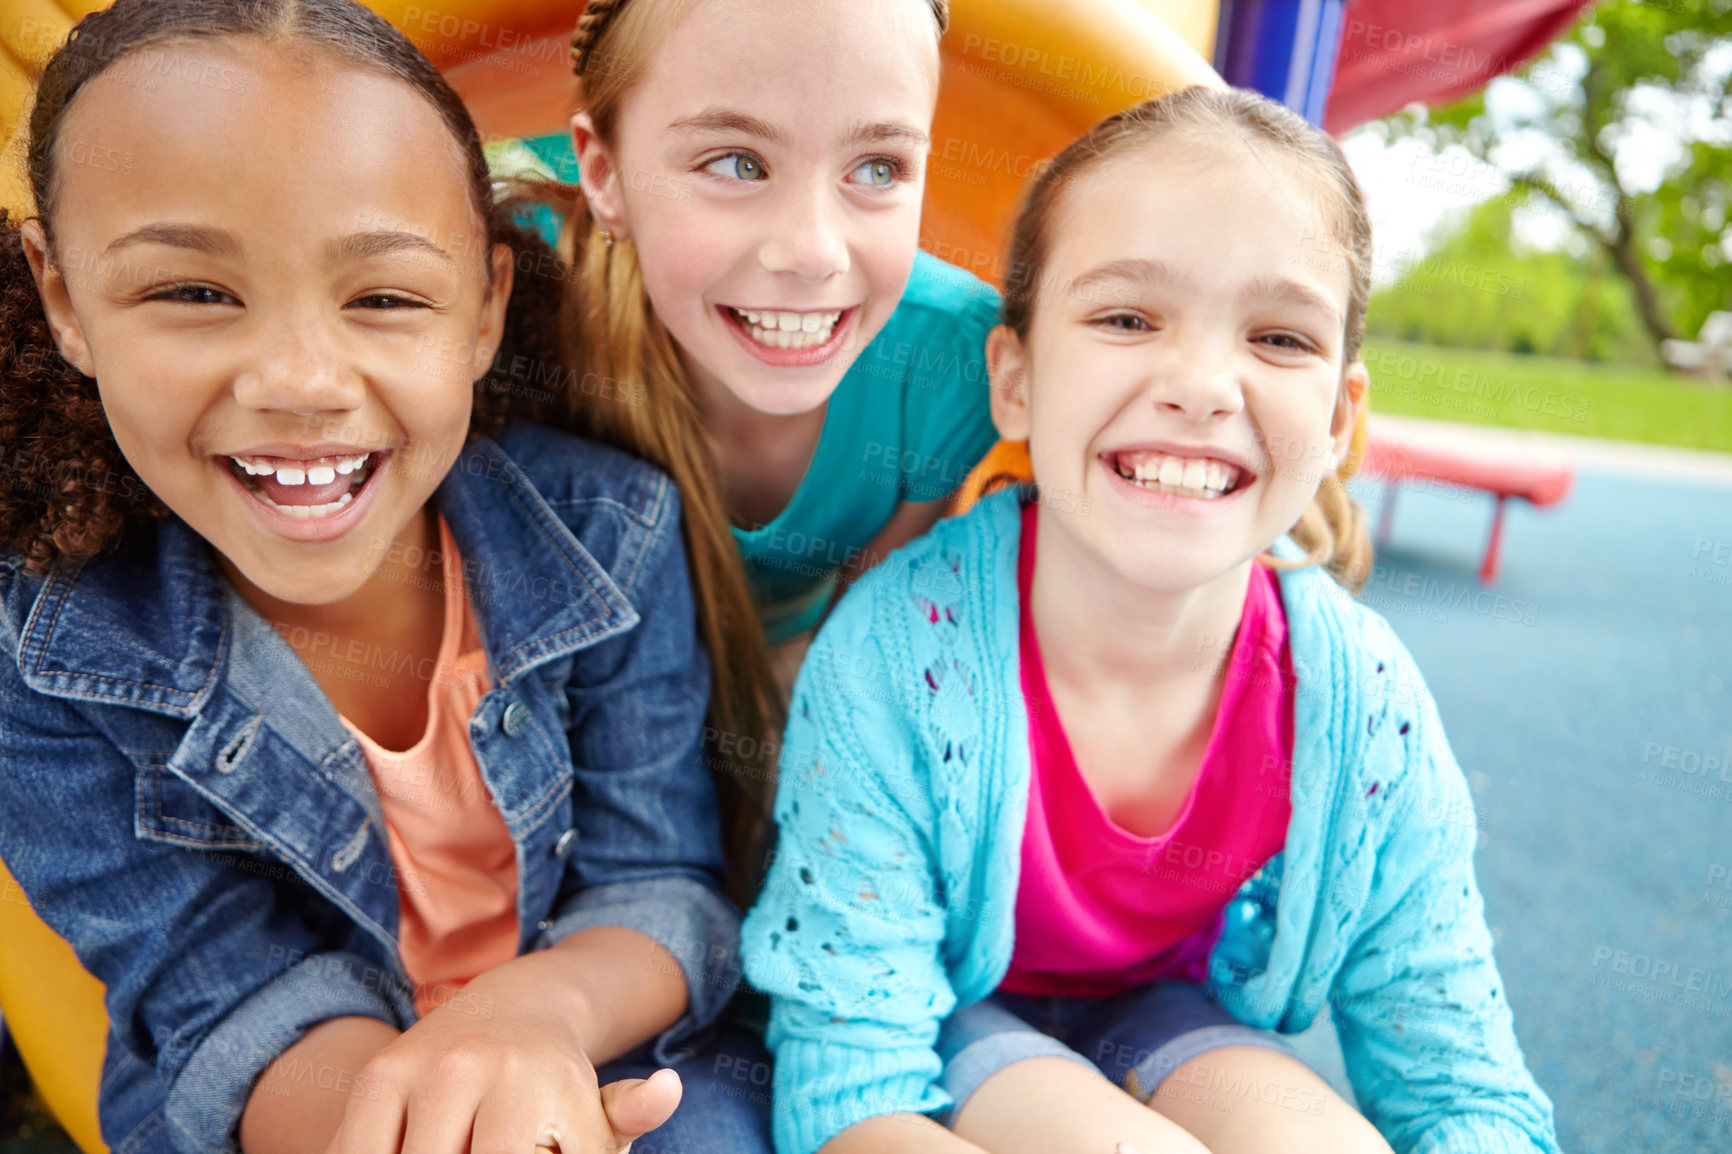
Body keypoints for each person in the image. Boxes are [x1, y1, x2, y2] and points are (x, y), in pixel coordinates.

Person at [0, 2, 766, 1151]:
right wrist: (441, 1125)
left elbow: (659, 884)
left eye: (384, 297)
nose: (301, 379)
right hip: (297, 1102)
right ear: (64, 300)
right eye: (193, 292)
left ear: (485, 310)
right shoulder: (44, 650)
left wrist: (530, 1021)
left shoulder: (609, 529)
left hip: (602, 1039)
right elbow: (214, 992)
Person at [741, 87, 1560, 1154]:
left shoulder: (1360, 703)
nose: (1200, 384)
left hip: (1168, 1017)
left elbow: (1466, 1089)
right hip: (940, 1016)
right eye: (1127, 318)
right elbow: (847, 1086)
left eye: (1276, 336)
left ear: (1340, 419)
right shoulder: (897, 655)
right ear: (1017, 378)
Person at [523, 0, 1001, 849]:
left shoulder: (949, 359)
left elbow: (858, 659)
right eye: (738, 163)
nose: (813, 251)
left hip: (791, 667)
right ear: (604, 175)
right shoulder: (528, 312)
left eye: (880, 168)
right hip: (590, 693)